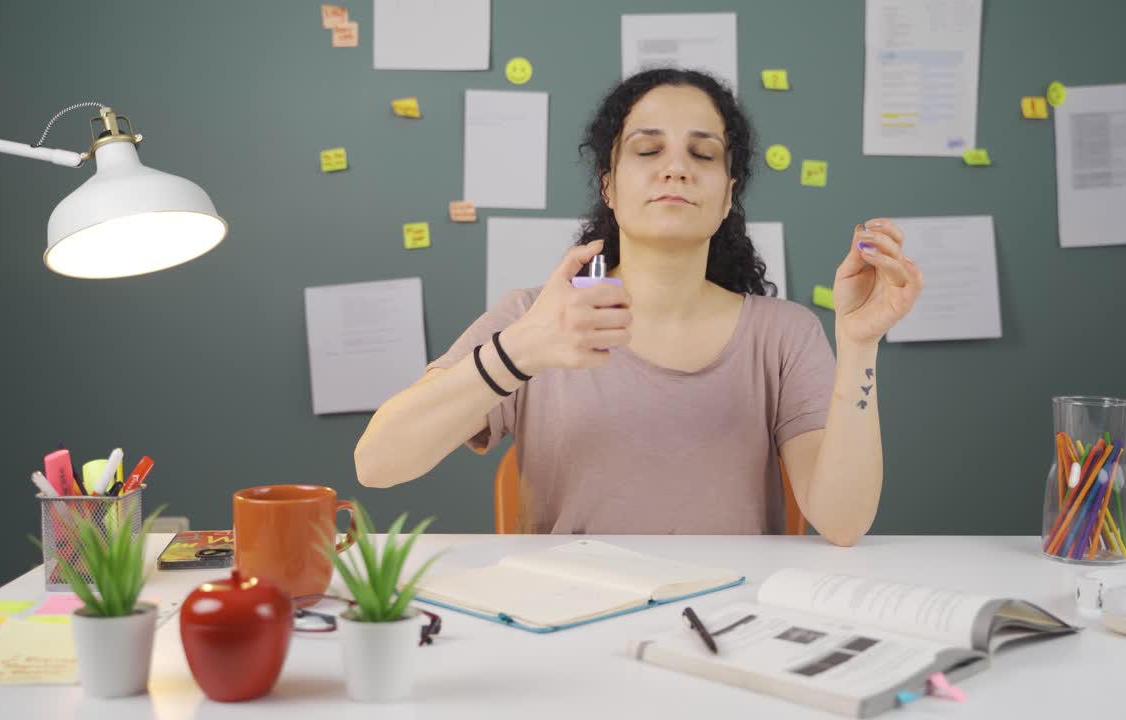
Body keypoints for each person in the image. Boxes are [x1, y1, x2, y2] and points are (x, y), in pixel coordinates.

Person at [354, 68, 923, 545]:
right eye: (648, 149)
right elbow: (377, 463)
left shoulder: (785, 335)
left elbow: (844, 523)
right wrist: (524, 348)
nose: (675, 167)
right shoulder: (534, 315)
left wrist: (859, 344)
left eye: (703, 154)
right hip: (565, 626)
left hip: (732, 628)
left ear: (727, 196)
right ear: (609, 186)